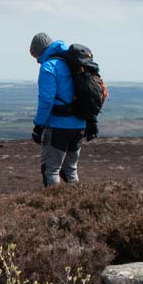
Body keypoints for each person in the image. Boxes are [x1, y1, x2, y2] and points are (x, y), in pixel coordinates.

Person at [29, 32, 85, 187]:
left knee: (51, 170)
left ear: (40, 51)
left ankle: (53, 207)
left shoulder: (49, 67)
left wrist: (38, 126)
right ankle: (78, 202)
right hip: (79, 124)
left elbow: (47, 101)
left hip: (59, 126)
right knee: (70, 170)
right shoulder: (72, 62)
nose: (37, 62)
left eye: (36, 57)